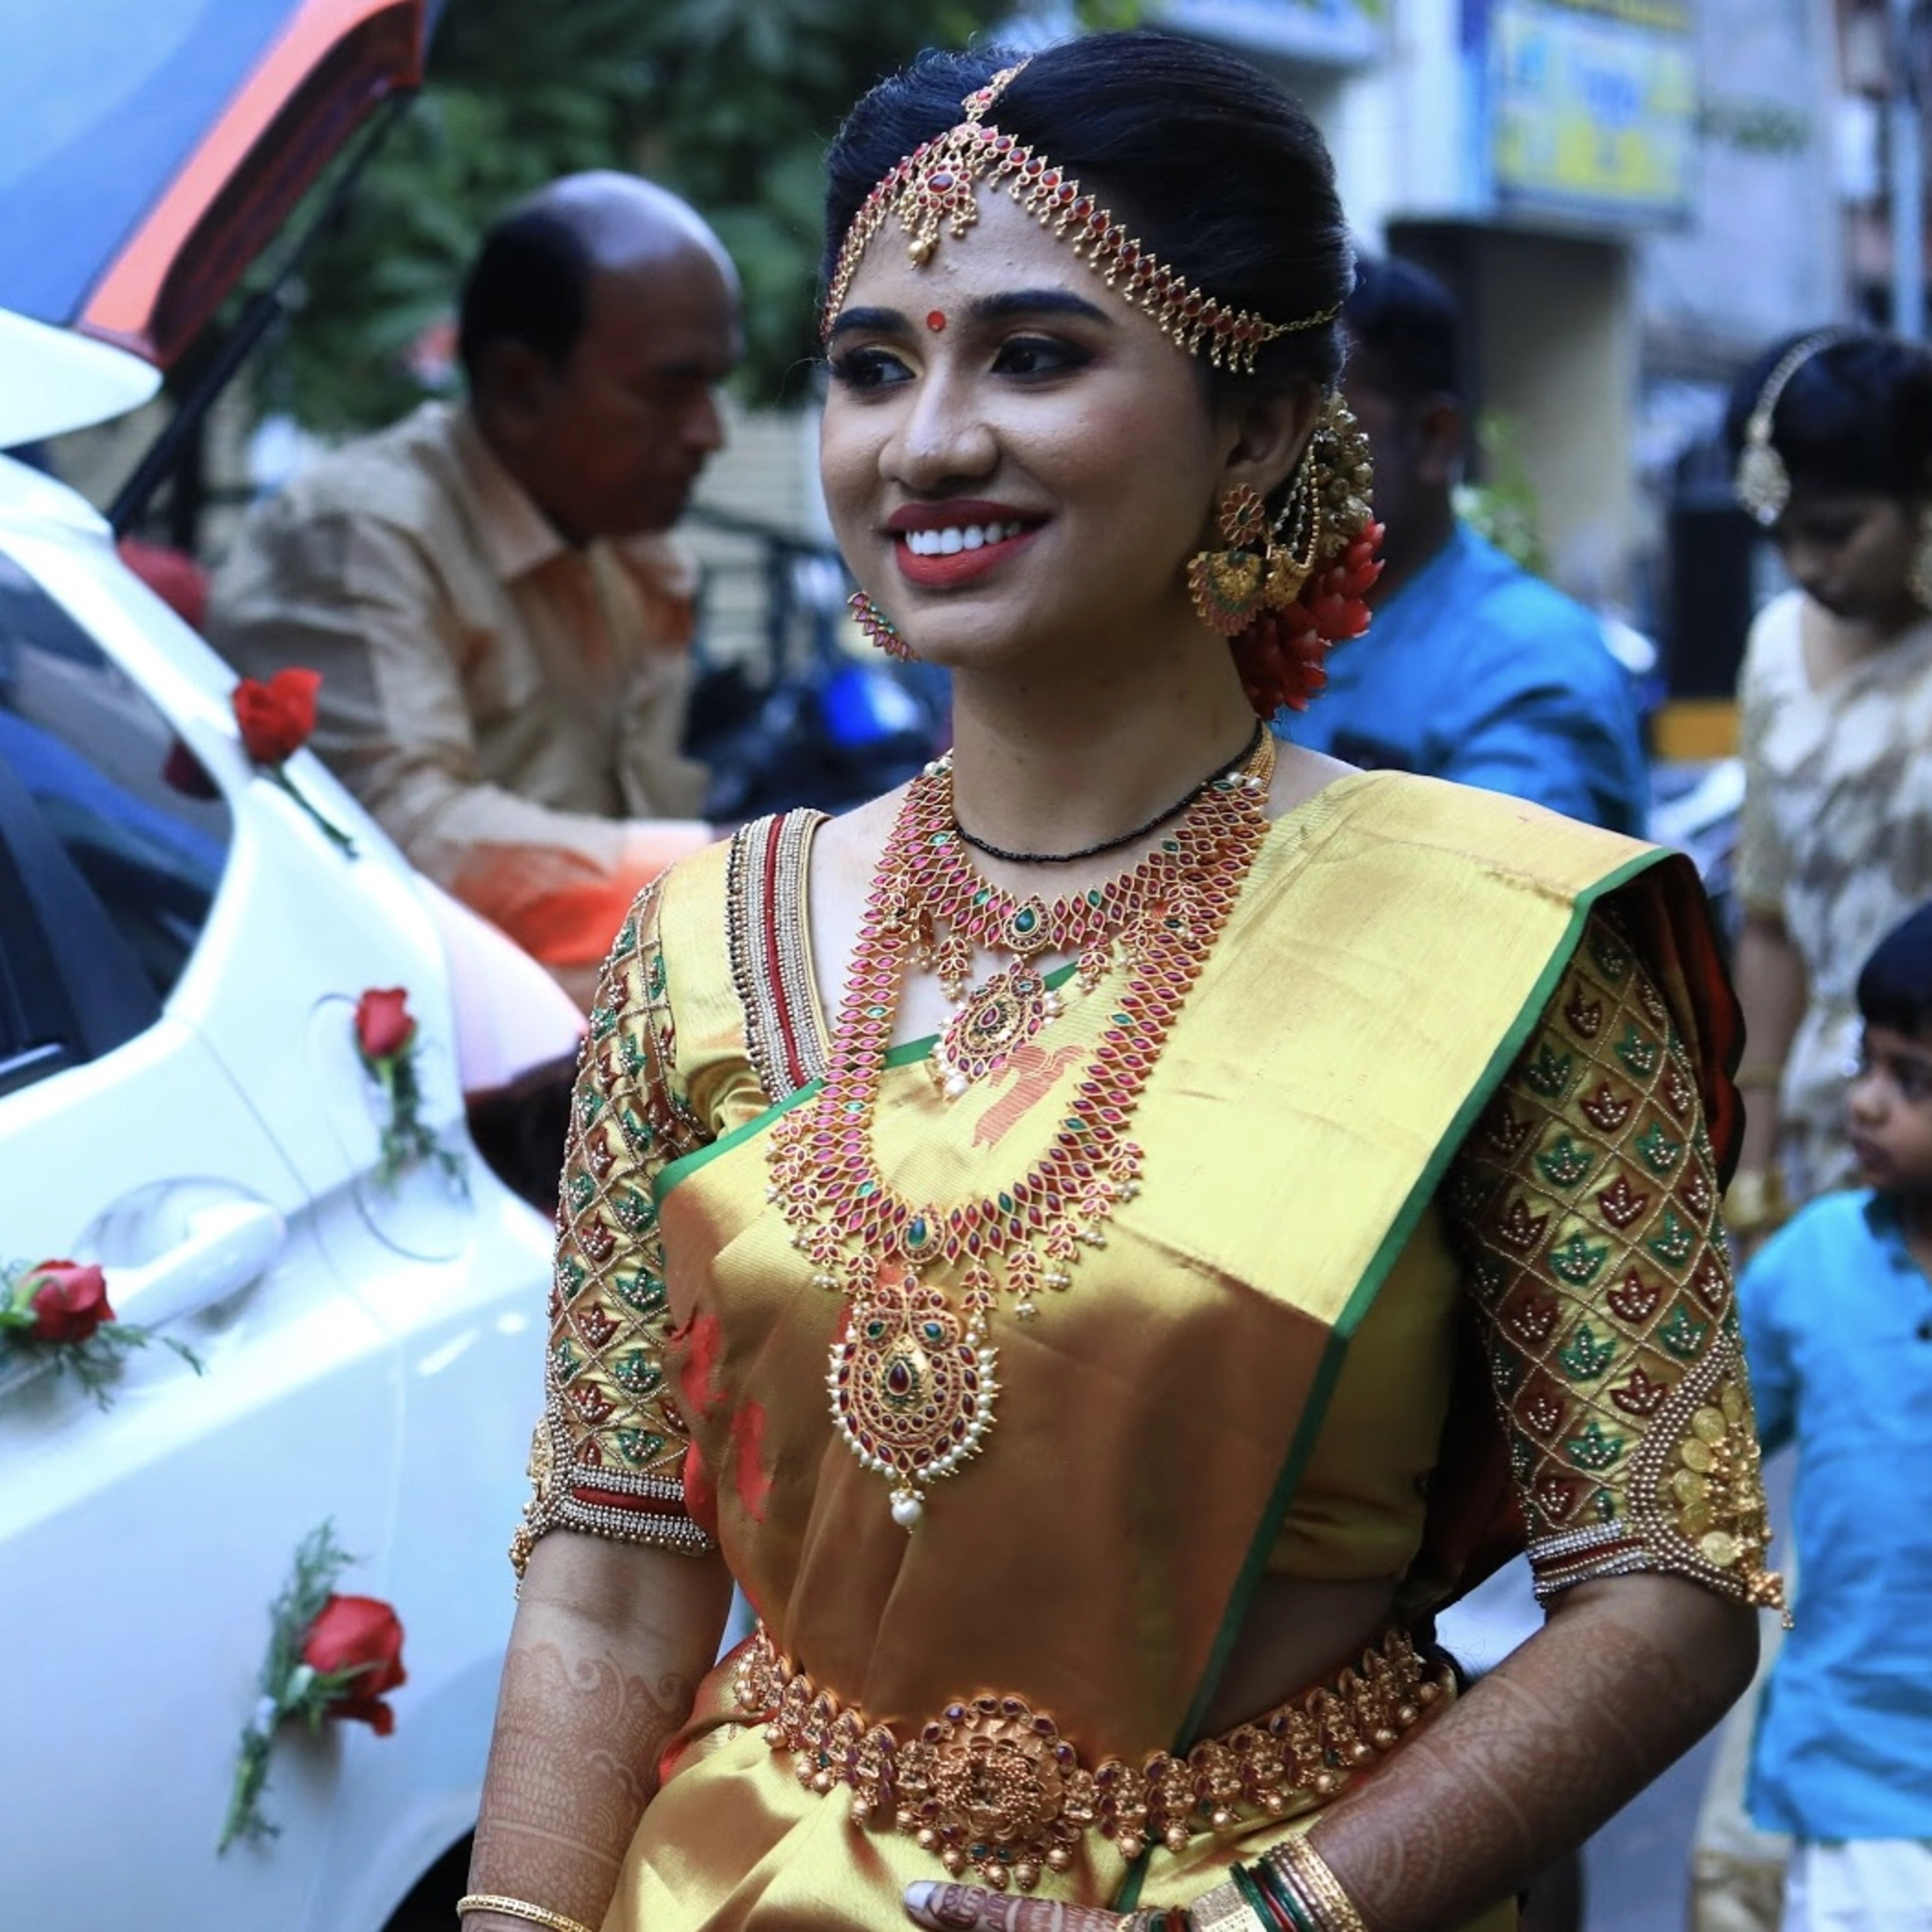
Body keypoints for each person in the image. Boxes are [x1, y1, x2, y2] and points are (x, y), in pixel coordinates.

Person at [459, 35, 1784, 1932]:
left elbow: (1664, 1578)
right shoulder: (703, 939)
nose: (925, 445)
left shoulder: (1506, 944)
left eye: (1036, 353)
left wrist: (1263, 1924)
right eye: (869, 367)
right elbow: (609, 1554)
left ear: (1257, 428)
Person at [207, 172, 742, 1006]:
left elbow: (642, 799)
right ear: (521, 387)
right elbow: (400, 836)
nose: (709, 433)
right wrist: (738, 876)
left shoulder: (627, 544)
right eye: (671, 390)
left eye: (715, 387)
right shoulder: (360, 533)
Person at [1282, 253, 1649, 837]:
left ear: (1434, 439)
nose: (1266, 458)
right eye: (1253, 420)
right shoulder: (1232, 627)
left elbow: (1498, 901)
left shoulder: (1526, 661)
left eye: (1311, 426)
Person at [1733, 898, 1932, 1931]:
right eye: (1865, 1065)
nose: (1864, 1104)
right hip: (1861, 1777)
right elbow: (1699, 1457)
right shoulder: (1810, 1267)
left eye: (1913, 1083)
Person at [1722, 329, 1932, 1236]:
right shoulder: (1775, 645)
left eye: (1836, 532)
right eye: (1782, 536)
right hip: (1823, 1110)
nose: (1806, 567)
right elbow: (1768, 920)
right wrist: (1754, 1149)